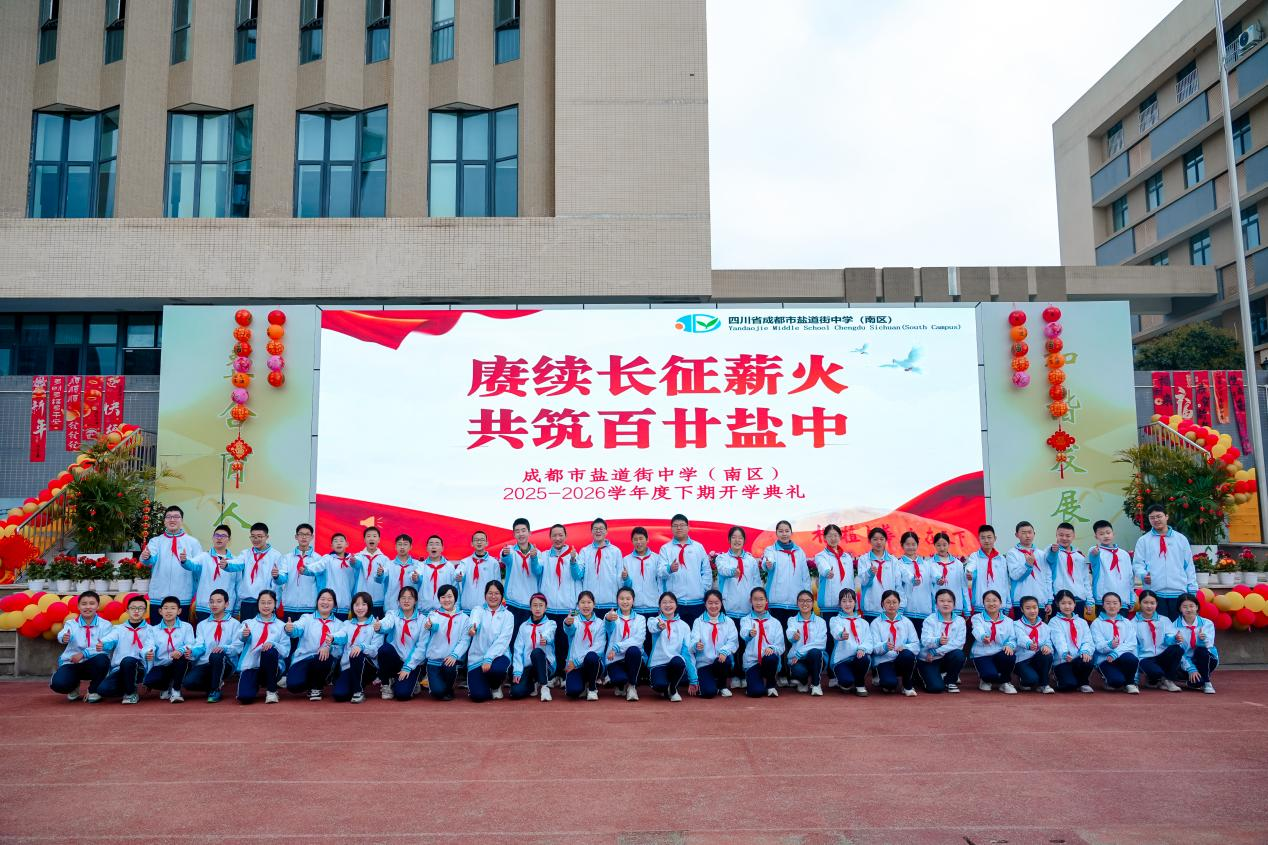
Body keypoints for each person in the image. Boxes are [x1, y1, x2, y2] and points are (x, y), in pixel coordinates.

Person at [533, 524, 581, 682]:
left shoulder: (574, 554)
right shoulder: (544, 555)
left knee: (567, 643)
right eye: (554, 535)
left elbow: (578, 575)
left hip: (568, 608)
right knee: (551, 643)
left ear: (565, 536)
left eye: (560, 535)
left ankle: (566, 674)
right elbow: (537, 571)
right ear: (550, 537)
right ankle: (554, 675)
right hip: (550, 608)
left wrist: (572, 560)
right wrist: (533, 558)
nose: (558, 538)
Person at [713, 526, 760, 688]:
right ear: (729, 540)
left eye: (740, 538)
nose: (737, 540)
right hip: (729, 608)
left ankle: (744, 673)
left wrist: (757, 601)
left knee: (745, 642)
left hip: (747, 609)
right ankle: (733, 675)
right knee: (732, 642)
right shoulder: (722, 558)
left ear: (744, 541)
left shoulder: (751, 561)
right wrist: (733, 571)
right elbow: (722, 570)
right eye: (734, 537)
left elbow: (756, 582)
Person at [139, 505, 202, 623]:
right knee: (157, 630)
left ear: (182, 520)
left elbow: (199, 567)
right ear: (164, 521)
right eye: (168, 517)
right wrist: (146, 557)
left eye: (176, 517)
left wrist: (186, 562)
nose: (172, 520)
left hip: (183, 597)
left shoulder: (193, 542)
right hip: (159, 597)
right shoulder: (156, 541)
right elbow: (148, 560)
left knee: (181, 630)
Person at [1132, 506, 1197, 620]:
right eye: (1152, 518)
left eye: (1159, 516)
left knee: (1178, 626)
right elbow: (1138, 563)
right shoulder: (1144, 540)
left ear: (1166, 516)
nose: (1156, 520)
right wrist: (1143, 575)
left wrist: (1192, 588)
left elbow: (1189, 566)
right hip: (1154, 593)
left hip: (1179, 592)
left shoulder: (1181, 539)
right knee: (1159, 626)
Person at [51, 590, 114, 702]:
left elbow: (105, 647)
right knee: (58, 684)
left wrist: (84, 653)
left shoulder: (106, 625)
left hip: (94, 664)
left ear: (97, 606)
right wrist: (64, 637)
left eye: (92, 603)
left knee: (103, 659)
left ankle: (94, 690)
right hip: (72, 663)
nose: (88, 607)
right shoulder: (71, 624)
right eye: (84, 604)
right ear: (78, 607)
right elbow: (62, 634)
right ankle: (73, 685)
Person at [185, 589, 243, 702]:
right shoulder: (202, 624)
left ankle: (215, 690)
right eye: (211, 602)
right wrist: (193, 652)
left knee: (217, 655)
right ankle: (214, 684)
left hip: (226, 662)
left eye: (219, 601)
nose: (214, 605)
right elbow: (200, 645)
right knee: (188, 683)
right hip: (205, 662)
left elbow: (237, 647)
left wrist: (223, 648)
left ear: (226, 604)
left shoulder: (235, 624)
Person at [283, 588, 342, 701]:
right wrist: (290, 629)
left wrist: (328, 648)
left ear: (334, 604)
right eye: (322, 599)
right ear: (317, 601)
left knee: (323, 657)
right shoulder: (306, 618)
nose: (325, 602)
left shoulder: (339, 624)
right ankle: (310, 682)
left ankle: (317, 686)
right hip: (304, 658)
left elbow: (340, 649)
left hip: (324, 660)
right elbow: (297, 629)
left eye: (329, 600)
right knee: (294, 686)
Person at [97, 595, 156, 704]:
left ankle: (131, 693)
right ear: (127, 610)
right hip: (120, 668)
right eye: (133, 608)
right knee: (103, 690)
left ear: (145, 611)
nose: (136, 611)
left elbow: (150, 644)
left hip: (139, 667)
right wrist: (103, 644)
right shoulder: (118, 629)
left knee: (128, 660)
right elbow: (109, 639)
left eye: (140, 608)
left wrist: (147, 652)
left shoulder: (151, 630)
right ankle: (128, 687)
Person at [235, 589, 290, 704]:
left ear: (275, 605)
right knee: (244, 698)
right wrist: (245, 635)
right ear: (258, 604)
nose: (266, 606)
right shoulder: (248, 623)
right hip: (251, 665)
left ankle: (271, 691)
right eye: (263, 602)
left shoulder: (281, 626)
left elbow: (286, 651)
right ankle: (254, 684)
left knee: (269, 651)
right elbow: (241, 638)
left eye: (269, 603)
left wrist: (273, 644)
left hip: (273, 666)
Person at [374, 585, 427, 701]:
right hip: (396, 660)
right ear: (398, 601)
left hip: (412, 663)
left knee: (402, 695)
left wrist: (408, 667)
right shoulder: (393, 614)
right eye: (403, 598)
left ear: (415, 601)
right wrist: (380, 626)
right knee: (384, 650)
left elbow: (422, 648)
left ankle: (413, 682)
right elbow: (386, 623)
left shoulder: (423, 620)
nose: (406, 601)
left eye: (410, 598)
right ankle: (387, 683)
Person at [760, 520, 812, 638]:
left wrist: (807, 597)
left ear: (791, 533)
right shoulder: (771, 550)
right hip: (776, 603)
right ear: (776, 533)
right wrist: (768, 564)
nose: (784, 534)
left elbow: (805, 576)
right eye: (781, 531)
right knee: (776, 636)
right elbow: (768, 561)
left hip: (795, 602)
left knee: (794, 637)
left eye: (787, 531)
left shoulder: (799, 552)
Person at [657, 514, 711, 626]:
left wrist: (702, 590)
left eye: (682, 525)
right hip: (675, 603)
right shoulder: (665, 548)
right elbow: (660, 572)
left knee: (697, 635)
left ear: (688, 527)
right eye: (675, 525)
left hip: (697, 602)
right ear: (671, 528)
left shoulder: (698, 547)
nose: (679, 528)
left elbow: (706, 571)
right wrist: (669, 569)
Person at [181, 523, 241, 624]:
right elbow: (191, 565)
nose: (219, 538)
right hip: (205, 606)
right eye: (217, 535)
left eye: (223, 536)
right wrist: (184, 561)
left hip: (226, 608)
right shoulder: (204, 557)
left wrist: (236, 609)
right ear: (213, 537)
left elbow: (239, 586)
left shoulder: (235, 561)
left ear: (229, 539)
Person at [465, 580, 513, 703]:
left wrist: (489, 658)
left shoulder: (508, 615)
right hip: (477, 658)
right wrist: (473, 627)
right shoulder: (478, 609)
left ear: (502, 595)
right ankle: (486, 685)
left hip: (499, 655)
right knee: (478, 696)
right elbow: (474, 621)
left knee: (497, 670)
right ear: (485, 594)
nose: (493, 596)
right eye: (490, 593)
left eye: (496, 593)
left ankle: (496, 685)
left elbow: (503, 640)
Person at [331, 591, 383, 703]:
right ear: (352, 607)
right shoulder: (347, 624)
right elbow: (341, 635)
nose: (360, 608)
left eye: (364, 604)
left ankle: (358, 691)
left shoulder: (375, 624)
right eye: (357, 604)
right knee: (339, 695)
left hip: (368, 667)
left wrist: (362, 647)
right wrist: (332, 638)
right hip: (348, 667)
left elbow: (375, 650)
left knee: (356, 654)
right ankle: (354, 686)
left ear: (369, 606)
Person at [647, 591, 698, 702]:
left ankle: (673, 689)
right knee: (659, 685)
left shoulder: (684, 626)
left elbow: (687, 652)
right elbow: (652, 627)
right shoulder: (653, 620)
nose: (668, 605)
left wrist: (693, 679)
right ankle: (666, 688)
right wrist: (659, 626)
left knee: (679, 661)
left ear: (676, 604)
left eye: (671, 602)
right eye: (664, 602)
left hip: (675, 663)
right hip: (658, 663)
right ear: (659, 606)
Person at [143, 595, 196, 702]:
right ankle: (166, 686)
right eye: (166, 608)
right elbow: (149, 645)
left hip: (180, 663)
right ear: (160, 611)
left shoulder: (186, 627)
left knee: (181, 658)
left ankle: (176, 690)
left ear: (179, 611)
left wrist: (180, 650)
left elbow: (191, 643)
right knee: (149, 681)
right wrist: (148, 652)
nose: (169, 611)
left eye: (173, 608)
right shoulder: (153, 629)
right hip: (162, 664)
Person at [422, 584, 470, 701]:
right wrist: (430, 626)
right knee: (438, 692)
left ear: (455, 598)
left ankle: (449, 687)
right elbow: (433, 625)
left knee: (449, 670)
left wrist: (454, 655)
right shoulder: (433, 614)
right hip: (434, 661)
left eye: (449, 596)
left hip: (451, 660)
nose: (446, 600)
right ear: (439, 599)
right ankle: (440, 688)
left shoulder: (464, 618)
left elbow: (465, 640)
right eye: (443, 597)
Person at [916, 588, 966, 694]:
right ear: (936, 604)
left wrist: (936, 651)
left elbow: (959, 643)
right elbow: (925, 641)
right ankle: (924, 675)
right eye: (942, 601)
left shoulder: (960, 621)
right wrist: (938, 641)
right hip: (928, 659)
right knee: (936, 688)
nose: (945, 604)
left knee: (959, 654)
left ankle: (950, 681)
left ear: (954, 604)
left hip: (941, 655)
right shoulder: (930, 620)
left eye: (949, 601)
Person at [870, 590, 919, 696]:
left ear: (899, 604)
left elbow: (916, 644)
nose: (891, 605)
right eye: (888, 602)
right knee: (889, 685)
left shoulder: (906, 622)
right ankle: (887, 678)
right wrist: (885, 646)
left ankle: (907, 686)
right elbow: (873, 648)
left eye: (894, 602)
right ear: (882, 604)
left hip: (901, 658)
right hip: (884, 660)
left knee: (908, 655)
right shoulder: (876, 623)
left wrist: (904, 647)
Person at [690, 589, 737, 698]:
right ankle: (710, 683)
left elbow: (733, 641)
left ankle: (722, 685)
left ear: (721, 603)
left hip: (721, 661)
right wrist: (696, 645)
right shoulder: (698, 621)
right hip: (704, 663)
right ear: (705, 604)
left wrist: (724, 651)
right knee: (708, 693)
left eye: (716, 603)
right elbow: (693, 640)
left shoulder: (728, 621)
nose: (713, 606)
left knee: (725, 660)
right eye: (710, 603)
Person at [1090, 591, 1140, 694]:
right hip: (1105, 659)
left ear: (1120, 605)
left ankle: (1130, 683)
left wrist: (1116, 653)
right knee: (1116, 682)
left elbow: (1131, 643)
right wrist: (1109, 645)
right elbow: (1098, 645)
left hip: (1122, 657)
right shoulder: (1096, 623)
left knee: (1131, 659)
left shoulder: (1126, 622)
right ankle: (1110, 680)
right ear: (1103, 605)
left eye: (1115, 603)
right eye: (1108, 603)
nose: (1112, 606)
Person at [1134, 589, 1183, 692]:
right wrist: (1135, 678)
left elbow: (1169, 636)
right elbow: (1133, 647)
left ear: (1156, 604)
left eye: (1152, 603)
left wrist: (1175, 638)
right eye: (1145, 603)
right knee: (1156, 672)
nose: (1149, 606)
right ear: (1140, 603)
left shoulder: (1164, 620)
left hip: (1162, 655)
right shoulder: (1133, 623)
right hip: (1145, 658)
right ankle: (1154, 678)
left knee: (1177, 649)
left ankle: (1168, 680)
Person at [739, 587, 785, 698]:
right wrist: (750, 633)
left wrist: (772, 648)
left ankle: (770, 684)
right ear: (751, 601)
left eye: (761, 599)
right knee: (756, 692)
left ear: (766, 601)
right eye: (755, 599)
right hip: (752, 661)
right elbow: (743, 633)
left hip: (768, 660)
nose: (758, 603)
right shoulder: (746, 620)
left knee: (771, 657)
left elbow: (780, 646)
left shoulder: (775, 622)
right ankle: (754, 681)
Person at [509, 594, 556, 701]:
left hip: (545, 665)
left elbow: (550, 633)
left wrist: (545, 638)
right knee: (516, 692)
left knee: (537, 652)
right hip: (528, 666)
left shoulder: (550, 624)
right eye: (535, 605)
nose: (538, 608)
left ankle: (544, 687)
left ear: (545, 608)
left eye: (541, 605)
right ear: (530, 607)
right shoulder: (523, 626)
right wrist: (517, 671)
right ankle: (533, 683)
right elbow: (518, 650)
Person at [971, 589, 1018, 694]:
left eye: (994, 600)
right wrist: (983, 637)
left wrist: (1010, 645)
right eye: (988, 600)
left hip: (1000, 652)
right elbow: (977, 630)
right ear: (983, 603)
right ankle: (985, 679)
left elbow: (1013, 638)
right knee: (990, 675)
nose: (991, 603)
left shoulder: (1009, 621)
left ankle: (1005, 682)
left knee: (1009, 655)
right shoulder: (977, 618)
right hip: (983, 653)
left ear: (1000, 603)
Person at [562, 590, 607, 700]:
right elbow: (569, 630)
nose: (586, 606)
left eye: (589, 602)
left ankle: (592, 688)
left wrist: (577, 661)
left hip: (591, 663)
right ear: (578, 605)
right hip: (574, 665)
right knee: (573, 691)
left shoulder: (600, 623)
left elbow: (599, 648)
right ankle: (583, 684)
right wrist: (567, 624)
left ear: (594, 604)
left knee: (592, 656)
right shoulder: (573, 619)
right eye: (582, 602)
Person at [605, 586, 647, 701]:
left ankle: (632, 686)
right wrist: (608, 619)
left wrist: (617, 647)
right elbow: (608, 627)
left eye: (628, 599)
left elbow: (639, 639)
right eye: (621, 598)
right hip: (615, 659)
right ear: (617, 600)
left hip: (633, 658)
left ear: (633, 600)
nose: (625, 602)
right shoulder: (611, 616)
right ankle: (621, 684)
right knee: (619, 679)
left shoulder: (640, 619)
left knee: (634, 650)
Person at [829, 588, 873, 696]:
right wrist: (841, 635)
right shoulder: (835, 620)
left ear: (855, 603)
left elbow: (868, 641)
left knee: (864, 658)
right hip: (841, 660)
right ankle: (846, 680)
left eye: (850, 601)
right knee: (846, 682)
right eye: (844, 601)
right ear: (839, 603)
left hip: (858, 658)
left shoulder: (863, 622)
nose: (847, 604)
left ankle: (860, 684)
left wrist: (862, 648)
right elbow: (835, 631)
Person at [1050, 589, 1096, 693]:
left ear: (1075, 604)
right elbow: (1058, 640)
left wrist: (1085, 651)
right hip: (1063, 660)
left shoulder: (1082, 622)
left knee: (1087, 659)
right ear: (1057, 604)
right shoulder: (1054, 622)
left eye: (1070, 603)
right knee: (1068, 685)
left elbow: (1087, 640)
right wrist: (1064, 653)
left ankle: (1083, 682)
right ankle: (1059, 677)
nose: (1067, 606)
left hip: (1078, 659)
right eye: (1063, 603)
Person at [500, 518, 541, 633]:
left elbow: (538, 571)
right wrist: (505, 554)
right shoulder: (510, 550)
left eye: (523, 530)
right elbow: (505, 558)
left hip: (530, 604)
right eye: (517, 531)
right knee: (510, 635)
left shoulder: (538, 553)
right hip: (512, 602)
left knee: (526, 637)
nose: (521, 534)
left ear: (529, 532)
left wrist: (534, 558)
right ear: (514, 534)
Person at [236, 523, 282, 622]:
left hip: (265, 603)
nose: (256, 539)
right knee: (246, 629)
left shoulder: (275, 555)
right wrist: (227, 564)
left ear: (267, 537)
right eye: (253, 536)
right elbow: (235, 564)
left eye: (259, 536)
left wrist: (275, 604)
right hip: (247, 602)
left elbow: (277, 583)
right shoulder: (245, 553)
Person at [1007, 521, 1052, 620]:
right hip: (1020, 601)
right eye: (1023, 533)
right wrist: (1027, 566)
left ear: (1034, 534)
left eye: (1030, 532)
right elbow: (1015, 575)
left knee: (1039, 628)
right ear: (1017, 535)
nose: (1027, 536)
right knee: (1021, 628)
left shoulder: (1041, 554)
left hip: (1039, 601)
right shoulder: (1012, 553)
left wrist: (1049, 600)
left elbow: (1047, 578)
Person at [1174, 593, 1219, 693]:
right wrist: (1191, 668)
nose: (1189, 609)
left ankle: (1207, 682)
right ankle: (1195, 680)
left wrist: (1202, 641)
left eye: (1191, 606)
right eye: (1184, 607)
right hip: (1186, 661)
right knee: (1197, 683)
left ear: (1197, 607)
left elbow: (1209, 646)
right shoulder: (1174, 627)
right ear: (1180, 609)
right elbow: (1179, 652)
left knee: (1201, 650)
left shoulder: (1207, 623)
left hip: (1206, 658)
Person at [785, 589, 827, 696]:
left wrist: (801, 652)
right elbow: (790, 633)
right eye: (801, 601)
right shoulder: (792, 620)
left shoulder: (821, 622)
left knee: (815, 652)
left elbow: (821, 643)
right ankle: (803, 682)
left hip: (815, 658)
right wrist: (794, 636)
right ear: (797, 603)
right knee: (799, 671)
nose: (805, 604)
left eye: (808, 601)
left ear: (813, 603)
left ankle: (816, 684)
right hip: (797, 659)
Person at [1089, 520, 1135, 616]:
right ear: (1096, 537)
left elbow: (1129, 577)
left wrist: (1131, 598)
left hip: (1122, 600)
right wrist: (1094, 554)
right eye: (1101, 534)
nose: (1106, 536)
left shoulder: (1124, 554)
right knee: (1103, 624)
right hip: (1103, 600)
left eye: (1108, 532)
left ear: (1113, 534)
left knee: (1121, 625)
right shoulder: (1096, 551)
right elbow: (1093, 558)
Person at [306, 532, 356, 618]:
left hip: (346, 605)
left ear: (346, 544)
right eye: (335, 541)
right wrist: (306, 569)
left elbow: (360, 566)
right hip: (329, 605)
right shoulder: (327, 559)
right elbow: (317, 566)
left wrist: (355, 562)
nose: (339, 543)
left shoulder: (352, 560)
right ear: (331, 546)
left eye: (341, 541)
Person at [859, 527, 906, 620]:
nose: (878, 542)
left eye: (881, 539)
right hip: (870, 608)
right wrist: (869, 573)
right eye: (875, 539)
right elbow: (862, 582)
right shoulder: (864, 559)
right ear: (870, 541)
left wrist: (900, 606)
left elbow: (898, 585)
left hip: (890, 610)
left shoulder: (893, 560)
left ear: (886, 540)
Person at [578, 518, 623, 614]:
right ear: (591, 531)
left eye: (601, 529)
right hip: (589, 604)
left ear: (606, 531)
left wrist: (621, 600)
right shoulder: (585, 551)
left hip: (611, 603)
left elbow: (620, 577)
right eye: (595, 529)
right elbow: (579, 575)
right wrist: (573, 561)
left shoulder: (615, 551)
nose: (598, 531)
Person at [1047, 522, 1092, 618]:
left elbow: (1085, 580)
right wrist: (1053, 551)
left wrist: (1089, 600)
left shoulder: (1080, 557)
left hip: (1078, 600)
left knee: (1077, 625)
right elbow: (1049, 558)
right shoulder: (1053, 551)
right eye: (1061, 535)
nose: (1064, 538)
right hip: (1059, 599)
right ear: (1056, 535)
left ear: (1073, 536)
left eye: (1068, 536)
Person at [1012, 595, 1055, 694]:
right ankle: (1024, 680)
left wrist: (1047, 646)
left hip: (1037, 658)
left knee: (1047, 655)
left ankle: (1044, 684)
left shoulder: (1045, 626)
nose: (1032, 611)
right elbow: (1021, 637)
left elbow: (1048, 641)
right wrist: (1029, 644)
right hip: (1022, 660)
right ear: (1022, 609)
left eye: (1035, 607)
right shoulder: (1016, 624)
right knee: (1031, 679)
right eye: (1028, 608)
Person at [814, 524, 855, 625]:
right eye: (830, 536)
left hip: (846, 605)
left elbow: (851, 580)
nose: (833, 538)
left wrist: (853, 601)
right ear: (825, 538)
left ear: (840, 537)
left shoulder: (847, 557)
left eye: (835, 535)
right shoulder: (821, 556)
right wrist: (827, 572)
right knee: (829, 633)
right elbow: (822, 566)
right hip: (829, 605)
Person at [277, 523, 319, 622]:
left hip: (309, 607)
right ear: (296, 536)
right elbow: (282, 579)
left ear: (312, 537)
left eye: (307, 534)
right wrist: (276, 576)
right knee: (289, 631)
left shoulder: (318, 559)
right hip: (289, 607)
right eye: (301, 534)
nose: (304, 537)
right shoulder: (287, 558)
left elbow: (321, 582)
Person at [966, 524, 1009, 614]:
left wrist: (1007, 604)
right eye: (983, 538)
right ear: (979, 539)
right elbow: (970, 567)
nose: (986, 541)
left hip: (998, 604)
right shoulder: (975, 556)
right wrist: (969, 573)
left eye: (989, 537)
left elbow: (1005, 582)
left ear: (995, 538)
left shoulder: (1001, 559)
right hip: (980, 604)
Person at [927, 532, 971, 620]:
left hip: (956, 606)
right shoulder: (929, 564)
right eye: (938, 545)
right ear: (934, 545)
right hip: (937, 608)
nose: (942, 548)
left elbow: (963, 587)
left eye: (944, 545)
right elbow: (928, 588)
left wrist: (967, 609)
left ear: (949, 544)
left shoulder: (958, 564)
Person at [456, 530, 499, 614]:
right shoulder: (465, 562)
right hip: (467, 608)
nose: (479, 542)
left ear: (486, 543)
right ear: (472, 543)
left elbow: (498, 585)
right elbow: (459, 572)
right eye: (476, 540)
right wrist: (458, 575)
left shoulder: (493, 563)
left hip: (486, 609)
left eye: (482, 540)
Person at [896, 531, 931, 636]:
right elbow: (898, 586)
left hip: (924, 610)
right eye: (907, 544)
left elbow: (932, 585)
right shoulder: (898, 564)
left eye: (913, 544)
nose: (911, 547)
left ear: (917, 545)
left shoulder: (926, 564)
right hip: (907, 610)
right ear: (902, 545)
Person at [622, 527, 661, 617]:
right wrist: (626, 579)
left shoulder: (657, 558)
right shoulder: (626, 560)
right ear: (632, 541)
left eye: (641, 538)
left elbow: (661, 583)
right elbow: (625, 587)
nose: (638, 542)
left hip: (654, 607)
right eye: (635, 539)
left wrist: (661, 605)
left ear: (647, 540)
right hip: (634, 609)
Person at [377, 533, 420, 614]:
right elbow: (379, 579)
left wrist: (417, 579)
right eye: (399, 544)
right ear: (395, 547)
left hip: (411, 608)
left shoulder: (417, 565)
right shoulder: (388, 564)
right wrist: (380, 574)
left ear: (410, 547)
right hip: (392, 607)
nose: (402, 547)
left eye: (405, 544)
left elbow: (421, 581)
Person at [352, 526, 389, 617]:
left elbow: (385, 574)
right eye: (368, 536)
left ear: (379, 539)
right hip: (361, 602)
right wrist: (353, 562)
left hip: (378, 602)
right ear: (364, 539)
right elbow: (356, 564)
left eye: (374, 536)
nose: (371, 538)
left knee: (377, 625)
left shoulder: (385, 559)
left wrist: (381, 573)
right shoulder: (359, 556)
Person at [415, 534, 457, 614]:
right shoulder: (421, 565)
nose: (434, 547)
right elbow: (415, 577)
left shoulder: (449, 566)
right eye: (431, 544)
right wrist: (415, 578)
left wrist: (455, 607)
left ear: (442, 548)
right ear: (427, 548)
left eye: (437, 544)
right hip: (424, 611)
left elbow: (455, 587)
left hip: (444, 611)